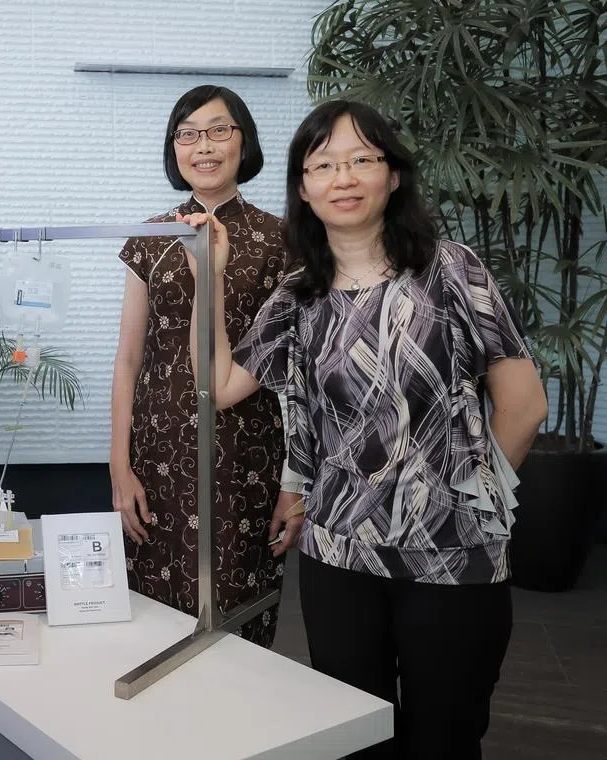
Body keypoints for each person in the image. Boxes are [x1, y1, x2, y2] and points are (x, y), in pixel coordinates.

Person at [182, 100, 548, 758]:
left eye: (360, 160)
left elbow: (523, 406)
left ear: (393, 175)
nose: (342, 178)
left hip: (454, 559)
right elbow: (220, 386)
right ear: (303, 186)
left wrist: (482, 502)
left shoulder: (453, 271)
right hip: (339, 558)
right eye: (322, 164)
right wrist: (209, 279)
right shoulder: (298, 296)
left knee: (447, 737)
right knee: (355, 737)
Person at [110, 84, 303, 646]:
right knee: (153, 613)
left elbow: (297, 377)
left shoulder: (282, 240)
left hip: (248, 449)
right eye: (188, 134)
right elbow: (127, 358)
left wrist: (294, 480)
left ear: (244, 142)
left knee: (239, 611)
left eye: (219, 130)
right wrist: (119, 464)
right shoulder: (152, 238)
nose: (203, 146)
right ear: (174, 150)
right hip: (158, 450)